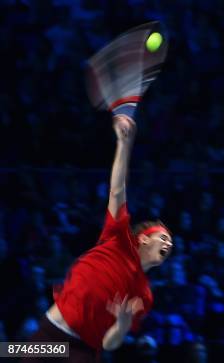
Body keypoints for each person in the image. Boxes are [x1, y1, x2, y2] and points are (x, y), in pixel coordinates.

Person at [25, 113, 174, 362]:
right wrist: (124, 144)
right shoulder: (118, 237)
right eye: (164, 237)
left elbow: (110, 343)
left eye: (171, 243)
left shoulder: (144, 296)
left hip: (82, 352)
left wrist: (123, 324)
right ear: (144, 239)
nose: (169, 244)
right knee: (6, 350)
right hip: (50, 333)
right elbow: (117, 190)